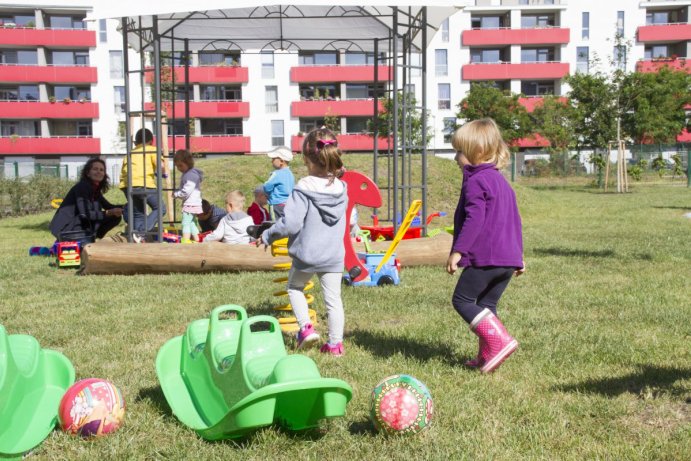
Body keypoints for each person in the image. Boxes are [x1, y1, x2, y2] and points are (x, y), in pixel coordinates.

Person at [260, 128, 348, 356]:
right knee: (333, 300)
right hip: (334, 255)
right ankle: (336, 345)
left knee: (295, 287)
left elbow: (290, 224)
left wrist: (268, 234)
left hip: (308, 254)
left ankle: (306, 329)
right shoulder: (341, 188)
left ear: (306, 159)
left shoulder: (304, 188)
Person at [448, 118, 525, 374]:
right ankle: (487, 354)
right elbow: (514, 219)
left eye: (459, 151)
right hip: (507, 259)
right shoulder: (501, 182)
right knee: (486, 305)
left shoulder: (475, 181)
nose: (456, 157)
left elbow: (474, 219)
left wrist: (458, 250)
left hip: (487, 258)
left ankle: (499, 341)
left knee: (463, 300)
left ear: (477, 152)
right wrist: (519, 256)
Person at [49, 157, 123, 241]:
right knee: (88, 216)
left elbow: (109, 206)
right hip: (66, 227)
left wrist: (127, 207)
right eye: (95, 169)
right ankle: (73, 240)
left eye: (102, 170)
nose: (99, 172)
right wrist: (109, 212)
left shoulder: (95, 190)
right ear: (88, 173)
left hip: (79, 223)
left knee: (115, 217)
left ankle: (91, 237)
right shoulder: (82, 187)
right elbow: (86, 214)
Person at [119, 128, 168, 239]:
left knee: (138, 214)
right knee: (160, 208)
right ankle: (141, 232)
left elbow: (123, 171)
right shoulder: (151, 150)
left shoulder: (130, 153)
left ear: (136, 142)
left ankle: (138, 238)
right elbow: (161, 166)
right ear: (151, 141)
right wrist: (163, 174)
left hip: (127, 186)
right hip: (143, 184)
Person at [172, 149, 203, 243]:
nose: (179, 168)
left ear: (188, 163)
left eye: (181, 165)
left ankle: (185, 240)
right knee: (192, 223)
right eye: (177, 166)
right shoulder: (190, 174)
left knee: (185, 223)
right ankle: (197, 239)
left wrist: (176, 194)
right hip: (194, 203)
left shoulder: (190, 175)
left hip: (190, 204)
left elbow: (186, 191)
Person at [263, 146, 295, 219]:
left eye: (273, 159)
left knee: (275, 224)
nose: (272, 161)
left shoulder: (276, 174)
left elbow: (267, 187)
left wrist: (268, 193)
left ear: (281, 161)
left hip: (276, 204)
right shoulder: (290, 174)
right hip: (288, 204)